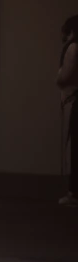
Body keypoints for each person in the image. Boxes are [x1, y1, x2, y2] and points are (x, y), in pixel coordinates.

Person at [58, 16, 77, 207]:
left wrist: (59, 76)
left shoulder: (72, 48)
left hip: (72, 99)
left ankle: (73, 192)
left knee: (73, 148)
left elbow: (64, 76)